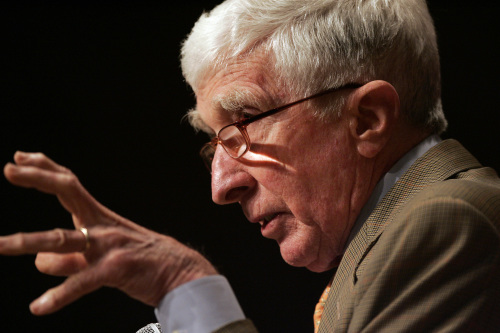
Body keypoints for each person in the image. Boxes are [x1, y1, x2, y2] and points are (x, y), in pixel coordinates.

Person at [2, 0, 500, 332]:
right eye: (215, 143)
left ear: (367, 120)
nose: (222, 184)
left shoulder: (450, 222)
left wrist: (184, 284)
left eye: (246, 123)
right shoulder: (397, 234)